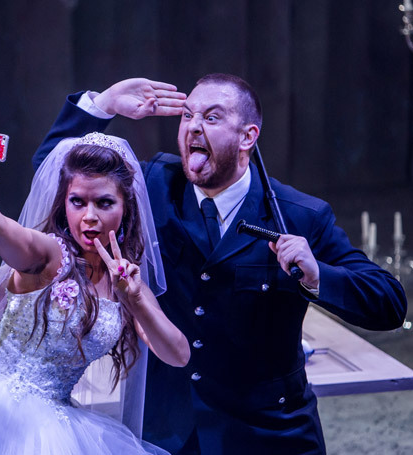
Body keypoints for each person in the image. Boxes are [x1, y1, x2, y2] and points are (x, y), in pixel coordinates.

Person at [31, 75, 408, 454]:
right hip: (168, 434)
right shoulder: (151, 187)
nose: (193, 126)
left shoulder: (300, 215)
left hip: (269, 435)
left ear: (248, 136)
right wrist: (103, 104)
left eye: (211, 118)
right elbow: (53, 174)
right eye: (188, 115)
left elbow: (389, 303)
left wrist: (317, 275)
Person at [0, 131, 191, 454]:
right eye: (78, 201)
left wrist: (135, 300)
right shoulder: (49, 255)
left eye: (104, 203)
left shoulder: (127, 281)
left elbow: (178, 354)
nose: (89, 217)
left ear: (125, 207)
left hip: (59, 422)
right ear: (64, 203)